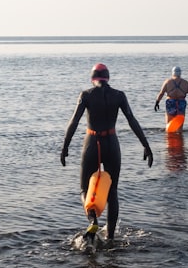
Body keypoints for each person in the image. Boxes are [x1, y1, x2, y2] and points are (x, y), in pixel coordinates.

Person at [62, 63, 153, 241]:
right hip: (111, 143)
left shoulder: (86, 95)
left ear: (92, 78)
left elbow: (73, 122)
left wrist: (65, 147)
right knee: (113, 192)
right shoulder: (118, 95)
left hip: (91, 142)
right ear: (108, 78)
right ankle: (111, 237)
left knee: (84, 189)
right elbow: (132, 120)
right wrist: (146, 145)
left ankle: (92, 219)